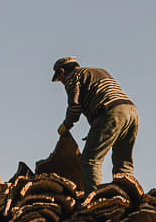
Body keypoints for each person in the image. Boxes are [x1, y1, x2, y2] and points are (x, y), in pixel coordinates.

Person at [51, 56, 139, 190]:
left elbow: (74, 107)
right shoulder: (98, 71)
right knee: (123, 163)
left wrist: (66, 125)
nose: (62, 82)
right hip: (131, 112)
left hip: (110, 112)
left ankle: (93, 201)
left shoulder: (72, 77)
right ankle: (129, 197)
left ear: (62, 72)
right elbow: (101, 95)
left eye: (60, 79)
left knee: (90, 161)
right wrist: (95, 129)